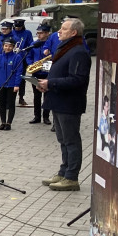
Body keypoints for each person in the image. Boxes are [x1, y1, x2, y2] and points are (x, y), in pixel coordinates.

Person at [37, 18, 91, 191]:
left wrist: (51, 83)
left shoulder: (78, 52)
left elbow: (77, 79)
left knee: (71, 140)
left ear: (73, 33)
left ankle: (71, 177)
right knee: (62, 140)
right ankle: (63, 171)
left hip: (69, 103)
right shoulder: (65, 48)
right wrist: (47, 84)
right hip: (58, 100)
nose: (59, 31)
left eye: (63, 29)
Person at [0, 36, 22, 131]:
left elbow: (19, 72)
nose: (7, 48)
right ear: (3, 46)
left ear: (13, 47)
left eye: (10, 46)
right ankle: (3, 122)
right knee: (2, 104)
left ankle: (9, 122)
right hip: (1, 84)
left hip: (12, 84)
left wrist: (17, 84)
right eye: (5, 46)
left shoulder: (17, 57)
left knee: (11, 103)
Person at [28, 24, 53, 125]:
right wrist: (31, 64)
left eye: (41, 33)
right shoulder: (34, 44)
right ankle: (36, 116)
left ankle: (46, 116)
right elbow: (29, 56)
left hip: (47, 73)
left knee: (47, 96)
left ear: (47, 33)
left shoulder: (51, 44)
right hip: (36, 72)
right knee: (36, 96)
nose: (39, 35)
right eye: (38, 33)